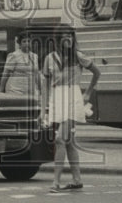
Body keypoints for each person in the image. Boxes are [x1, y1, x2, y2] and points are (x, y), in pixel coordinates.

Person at [43, 35, 100, 192]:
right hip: (57, 98)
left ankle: (55, 181)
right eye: (64, 36)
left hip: (72, 98)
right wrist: (44, 109)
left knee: (60, 139)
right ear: (58, 39)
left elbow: (97, 73)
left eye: (70, 36)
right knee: (69, 141)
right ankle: (77, 180)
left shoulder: (78, 56)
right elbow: (45, 84)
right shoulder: (49, 58)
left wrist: (88, 92)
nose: (67, 39)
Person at [0, 33, 41, 98]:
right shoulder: (14, 55)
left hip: (30, 90)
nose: (27, 43)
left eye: (28, 41)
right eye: (24, 41)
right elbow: (5, 74)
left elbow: (36, 74)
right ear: (20, 44)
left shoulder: (34, 56)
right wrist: (1, 91)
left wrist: (41, 89)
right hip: (15, 89)